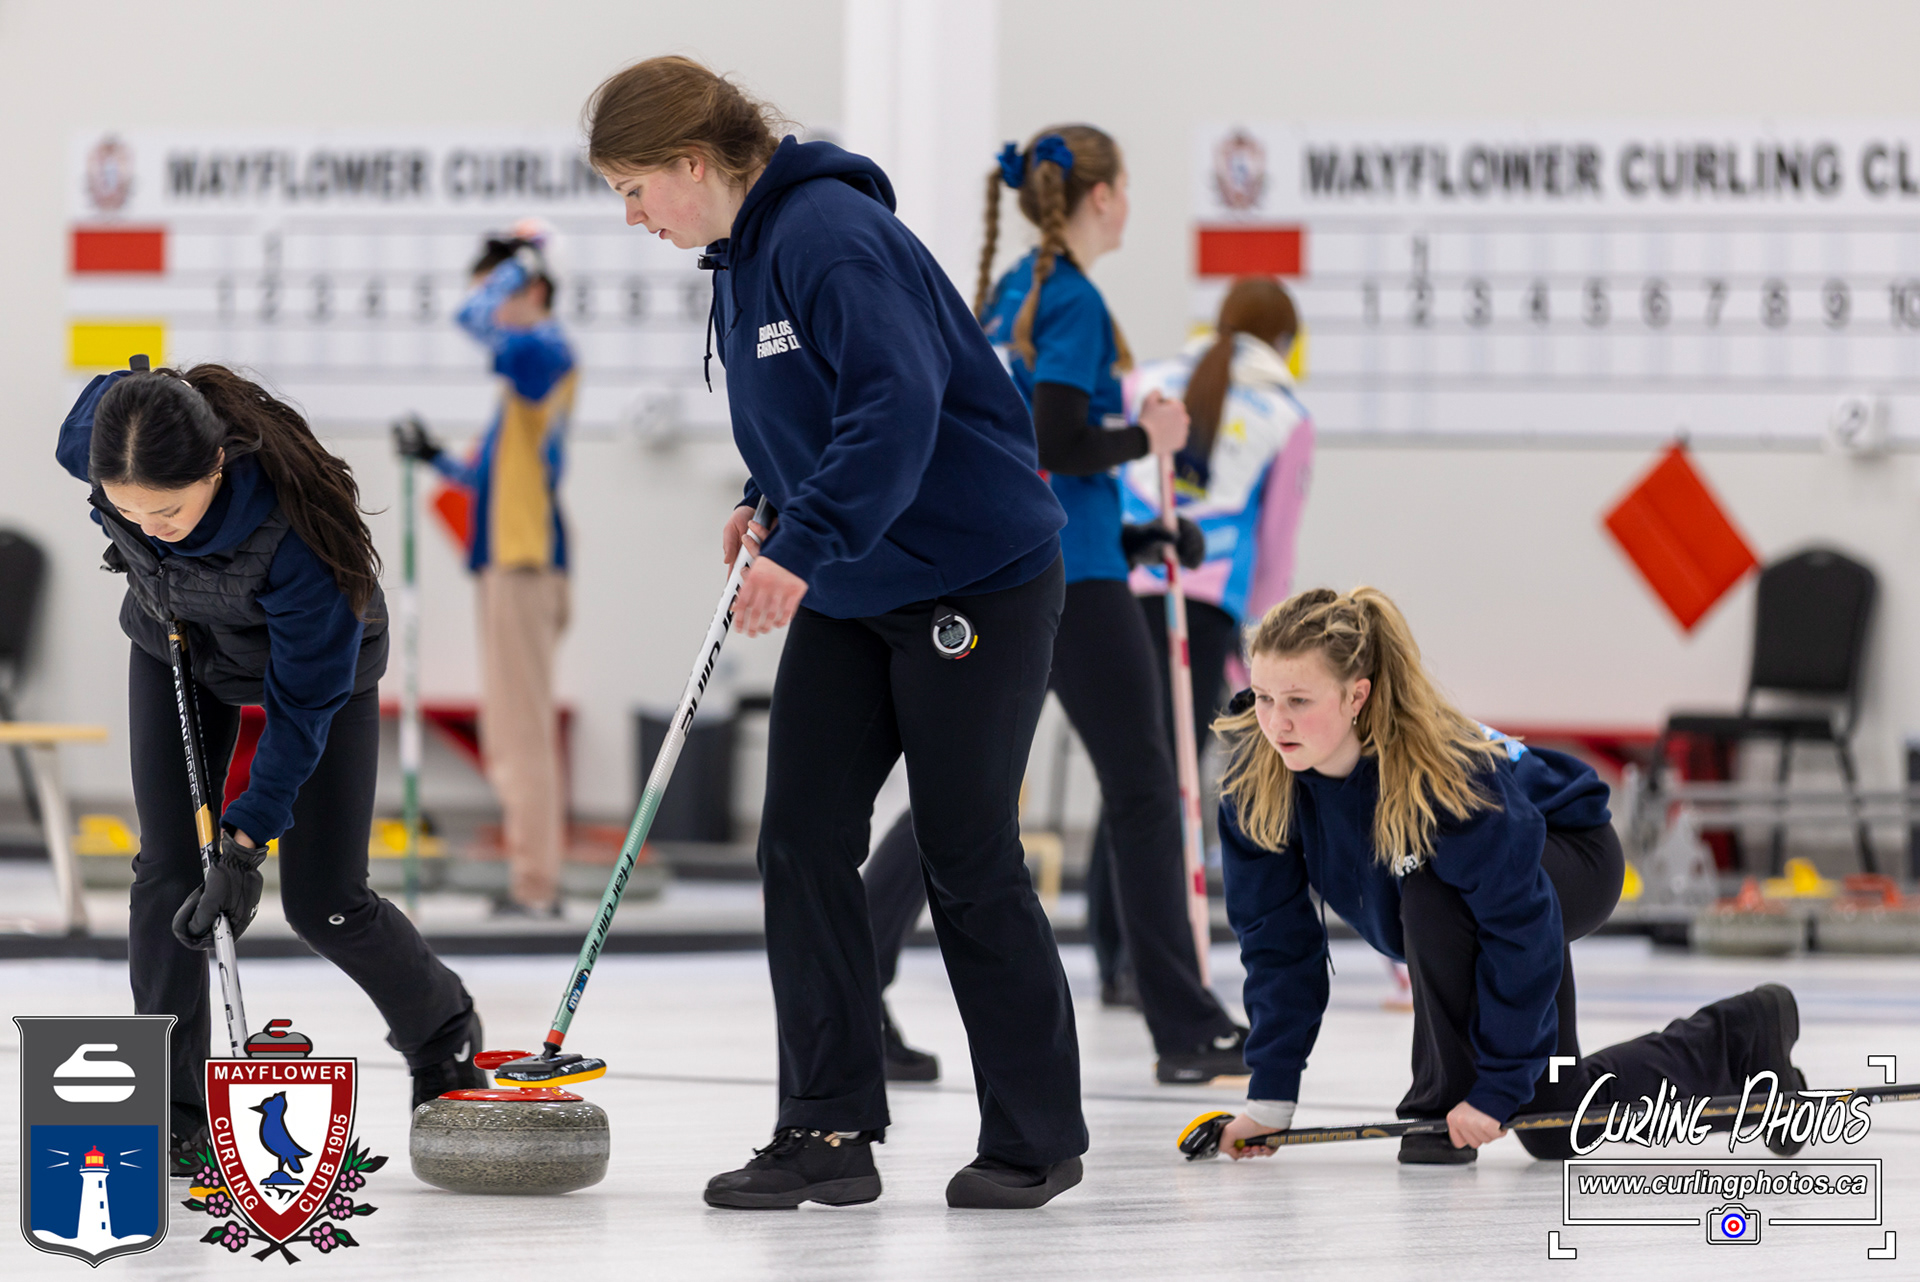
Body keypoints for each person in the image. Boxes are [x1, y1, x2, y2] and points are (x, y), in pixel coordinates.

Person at [587, 55, 1085, 1210]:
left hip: (974, 578)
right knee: (801, 839)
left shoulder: (827, 234)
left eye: (632, 189)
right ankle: (826, 1128)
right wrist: (768, 499)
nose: (633, 217)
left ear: (691, 164)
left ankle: (1035, 1135)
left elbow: (894, 401)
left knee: (966, 854)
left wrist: (804, 543)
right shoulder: (740, 257)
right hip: (859, 585)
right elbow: (806, 410)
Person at [56, 362, 485, 1177]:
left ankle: (443, 1031)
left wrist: (247, 843)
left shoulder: (299, 540)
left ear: (215, 467)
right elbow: (111, 416)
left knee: (324, 901)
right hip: (178, 647)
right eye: (127, 510)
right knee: (169, 873)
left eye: (169, 511)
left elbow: (300, 710)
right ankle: (174, 1109)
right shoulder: (99, 442)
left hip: (317, 680)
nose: (150, 527)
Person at [1209, 587, 1807, 1164]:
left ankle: (1436, 1098)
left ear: (1356, 696)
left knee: (1432, 891)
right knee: (1559, 1121)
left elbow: (1517, 922)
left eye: (1298, 701)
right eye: (1263, 697)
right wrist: (1270, 1100)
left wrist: (1491, 1088)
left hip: (1568, 857)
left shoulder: (1441, 776)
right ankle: (1741, 1039)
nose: (1276, 722)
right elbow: (1277, 946)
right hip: (1487, 893)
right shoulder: (1256, 783)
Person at [974, 126, 1247, 1083]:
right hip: (1074, 578)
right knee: (1147, 791)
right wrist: (1148, 438)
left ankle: (870, 975)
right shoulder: (1075, 299)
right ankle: (1185, 1025)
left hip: (1035, 556)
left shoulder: (1016, 287)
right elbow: (1057, 438)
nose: (1129, 203)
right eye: (1125, 187)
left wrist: (1137, 537)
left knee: (962, 796)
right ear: (1098, 197)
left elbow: (1029, 450)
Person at [1089, 276, 1314, 1005]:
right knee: (1170, 783)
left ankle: (1118, 958)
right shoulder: (1287, 414)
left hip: (1119, 587)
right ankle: (1149, 965)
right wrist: (1265, 654)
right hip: (1202, 606)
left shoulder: (1149, 381)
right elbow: (1274, 548)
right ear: (1285, 341)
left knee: (1131, 775)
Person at [395, 224, 577, 917]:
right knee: (509, 731)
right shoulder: (525, 375)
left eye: (502, 289)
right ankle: (532, 881)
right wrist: (434, 456)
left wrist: (523, 261)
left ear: (532, 290)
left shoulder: (542, 351)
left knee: (521, 735)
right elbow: (483, 476)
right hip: (510, 563)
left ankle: (536, 888)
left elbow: (469, 316)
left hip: (523, 565)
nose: (489, 303)